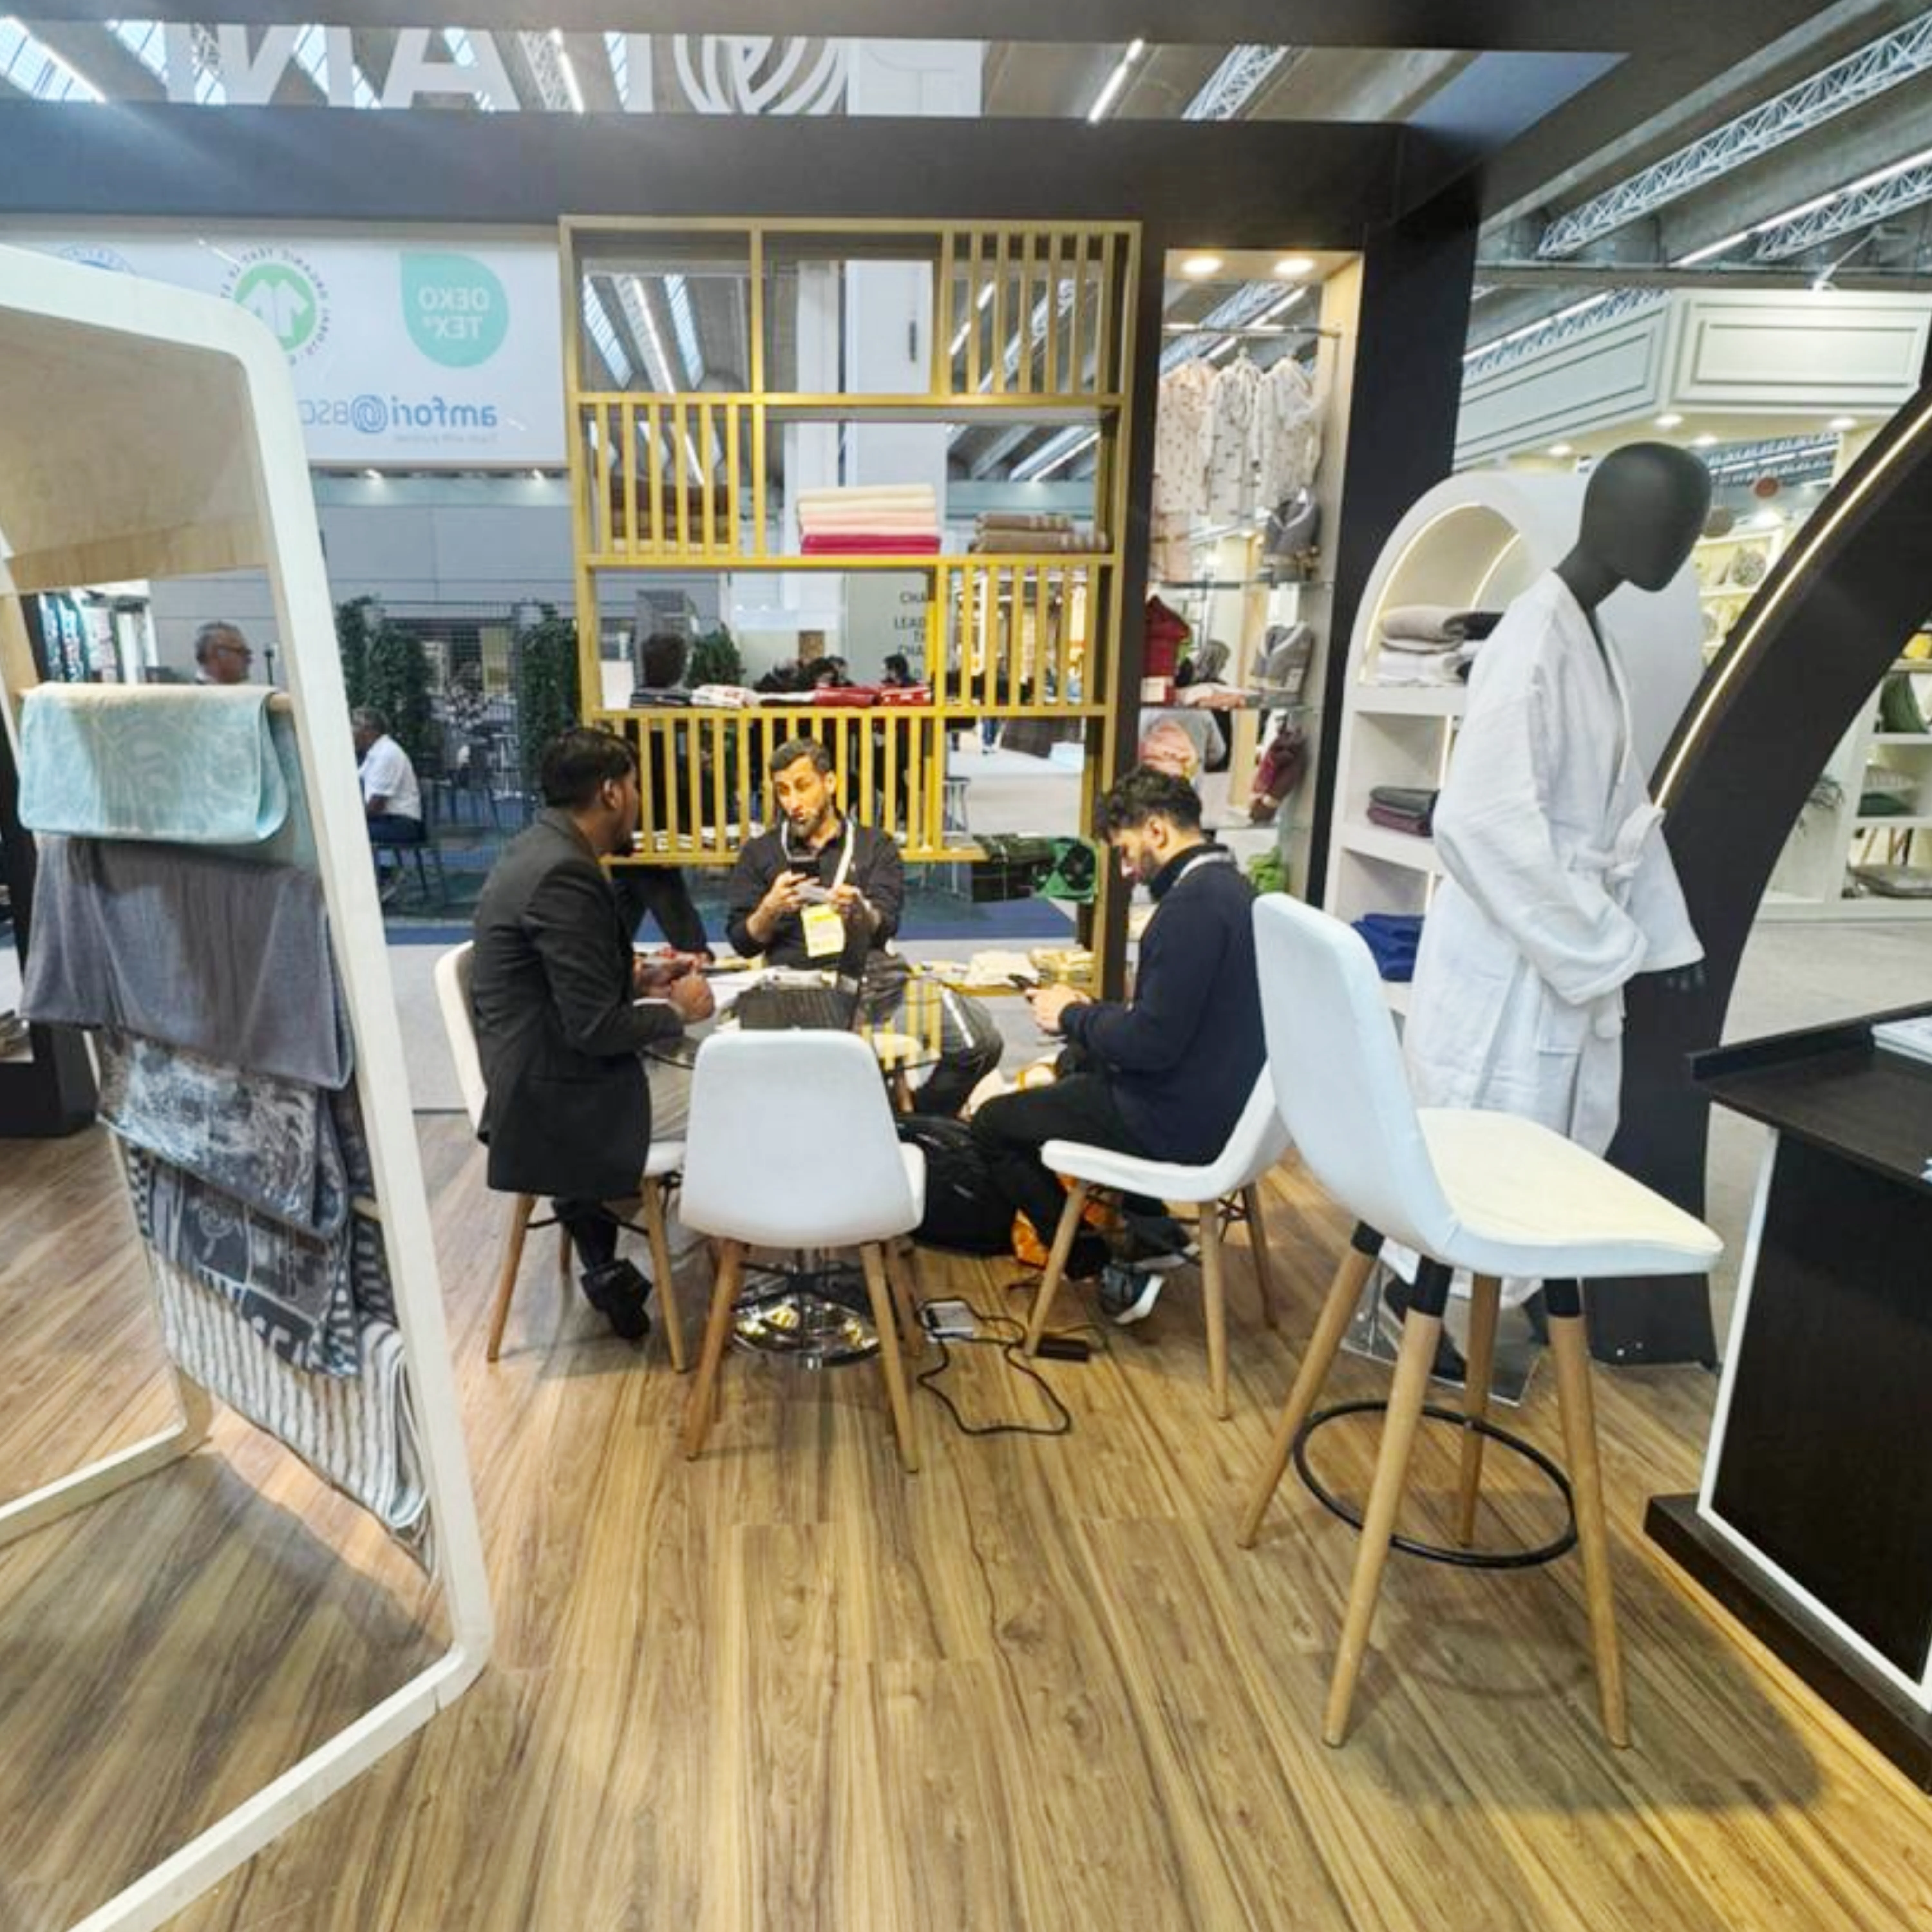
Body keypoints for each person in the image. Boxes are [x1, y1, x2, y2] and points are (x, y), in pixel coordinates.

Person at [1402, 443, 1706, 1328]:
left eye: (1691, 526)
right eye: (1666, 519)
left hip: (1545, 937)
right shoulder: (1534, 638)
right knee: (1486, 1137)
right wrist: (1605, 946)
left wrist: (1658, 932)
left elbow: (1624, 811)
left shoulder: (1586, 632)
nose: (1681, 543)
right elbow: (1480, 822)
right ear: (1606, 515)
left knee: (1528, 1144)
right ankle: (1447, 1314)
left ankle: (1483, 1306)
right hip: (1512, 951)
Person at [973, 766, 1264, 1323]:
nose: (1128, 871)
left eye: (1128, 853)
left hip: (1174, 1121)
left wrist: (1072, 1013)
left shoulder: (1188, 911)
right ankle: (1153, 1232)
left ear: (1157, 830)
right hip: (1229, 1108)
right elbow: (1171, 1024)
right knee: (1076, 1059)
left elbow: (1151, 1045)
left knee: (993, 1125)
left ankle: (1096, 1261)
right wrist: (1084, 1022)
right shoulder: (1235, 891)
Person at [469, 726, 714, 1341]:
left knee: (713, 1069)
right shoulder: (565, 874)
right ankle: (733, 1264)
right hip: (559, 1098)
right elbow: (596, 1027)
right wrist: (677, 1010)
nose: (638, 798)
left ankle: (612, 1232)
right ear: (611, 792)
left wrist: (639, 976)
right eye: (634, 786)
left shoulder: (537, 849)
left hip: (537, 1074)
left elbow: (560, 983)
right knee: (734, 1086)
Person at [725, 736, 903, 970]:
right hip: (789, 986)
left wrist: (862, 914)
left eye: (803, 787)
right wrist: (769, 909)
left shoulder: (876, 846)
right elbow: (743, 944)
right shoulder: (760, 851)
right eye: (783, 791)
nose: (793, 803)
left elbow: (887, 925)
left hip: (861, 980)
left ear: (829, 783)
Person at [610, 632, 713, 957]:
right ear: (679, 666)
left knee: (632, 879)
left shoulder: (632, 703)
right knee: (655, 877)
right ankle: (695, 949)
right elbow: (692, 750)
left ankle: (610, 951)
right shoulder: (682, 704)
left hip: (637, 803)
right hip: (669, 806)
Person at [193, 621, 253, 686]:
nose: (249, 660)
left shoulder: (244, 694)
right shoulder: (190, 695)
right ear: (217, 654)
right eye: (241, 652)